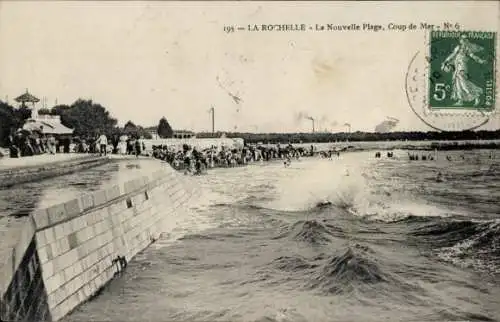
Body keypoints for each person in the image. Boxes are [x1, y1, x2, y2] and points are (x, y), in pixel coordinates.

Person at [441, 34, 486, 106]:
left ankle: (476, 96)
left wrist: (480, 61)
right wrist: (446, 61)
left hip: (462, 67)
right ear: (460, 40)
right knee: (457, 84)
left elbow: (473, 56)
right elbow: (452, 55)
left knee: (463, 83)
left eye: (465, 40)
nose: (464, 41)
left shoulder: (467, 49)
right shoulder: (458, 48)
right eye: (462, 39)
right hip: (456, 68)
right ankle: (460, 100)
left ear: (466, 41)